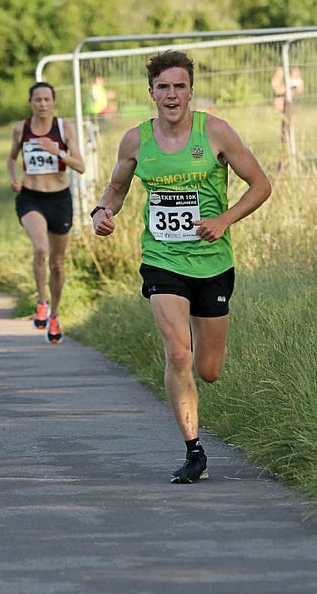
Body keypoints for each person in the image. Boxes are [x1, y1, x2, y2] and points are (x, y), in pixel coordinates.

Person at [91, 50, 272, 483]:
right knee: (178, 354)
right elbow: (117, 187)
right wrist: (102, 210)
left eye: (179, 86)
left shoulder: (216, 132)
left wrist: (223, 219)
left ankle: (198, 351)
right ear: (150, 92)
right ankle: (194, 451)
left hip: (212, 262)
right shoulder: (136, 140)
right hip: (162, 259)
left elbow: (261, 185)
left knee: (209, 370)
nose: (172, 95)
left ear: (191, 90)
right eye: (163, 87)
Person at [6, 81, 85, 343]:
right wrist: (13, 178)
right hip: (31, 198)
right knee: (41, 248)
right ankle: (41, 302)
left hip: (59, 199)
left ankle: (55, 314)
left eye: (46, 99)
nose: (42, 104)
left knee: (58, 264)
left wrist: (58, 152)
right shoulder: (21, 129)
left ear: (53, 102)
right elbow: (11, 158)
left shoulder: (64, 128)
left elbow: (81, 166)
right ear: (30, 103)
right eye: (37, 100)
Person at [270, 66, 305, 144]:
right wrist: (290, 89)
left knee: (287, 122)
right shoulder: (276, 80)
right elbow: (279, 90)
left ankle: (287, 138)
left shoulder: (285, 81)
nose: (282, 73)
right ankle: (286, 139)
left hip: (288, 103)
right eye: (280, 71)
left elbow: (300, 90)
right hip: (283, 105)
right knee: (286, 123)